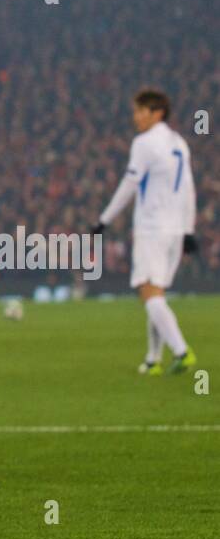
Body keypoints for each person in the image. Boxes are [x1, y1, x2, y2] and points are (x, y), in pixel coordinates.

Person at [94, 90, 197, 375]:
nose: (135, 117)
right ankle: (153, 359)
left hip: (152, 227)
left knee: (149, 293)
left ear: (157, 113)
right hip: (175, 228)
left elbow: (130, 184)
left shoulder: (144, 143)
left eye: (140, 111)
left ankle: (182, 351)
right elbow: (189, 188)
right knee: (156, 294)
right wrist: (188, 229)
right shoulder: (179, 142)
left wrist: (104, 219)